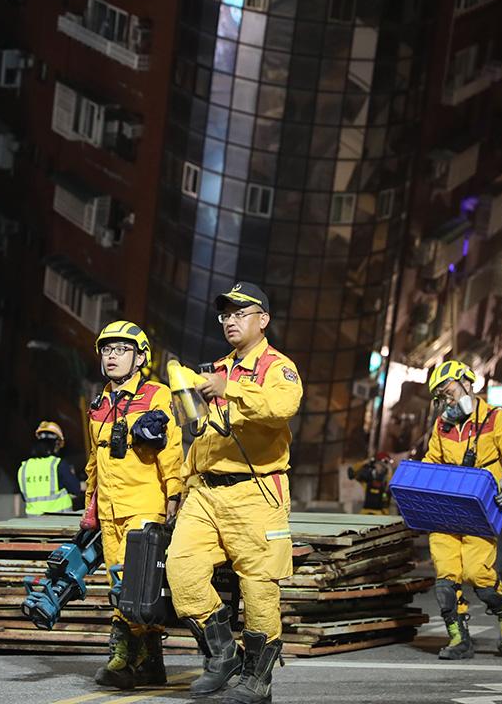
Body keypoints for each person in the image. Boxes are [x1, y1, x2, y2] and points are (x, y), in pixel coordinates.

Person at [165, 282, 302, 704]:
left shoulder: (277, 367)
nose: (230, 320)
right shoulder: (217, 369)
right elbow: (203, 436)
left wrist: (231, 390)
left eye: (240, 313)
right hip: (206, 493)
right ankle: (224, 654)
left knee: (260, 589)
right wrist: (184, 484)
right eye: (225, 314)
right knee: (182, 572)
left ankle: (258, 680)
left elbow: (284, 408)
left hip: (256, 493)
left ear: (263, 320)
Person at [86, 320, 183, 689]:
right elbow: (94, 460)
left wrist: (174, 493)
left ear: (141, 356)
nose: (112, 356)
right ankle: (145, 662)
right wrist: (90, 504)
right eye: (107, 350)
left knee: (140, 585)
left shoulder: (155, 395)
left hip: (143, 505)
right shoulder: (98, 403)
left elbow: (170, 446)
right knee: (119, 584)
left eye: (121, 350)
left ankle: (128, 658)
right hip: (110, 509)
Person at [422, 359, 502, 660]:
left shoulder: (495, 418)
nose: (447, 399)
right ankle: (459, 639)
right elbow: (432, 460)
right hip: (447, 508)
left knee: (478, 574)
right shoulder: (442, 426)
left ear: (467, 383)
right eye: (441, 396)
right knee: (446, 577)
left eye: (448, 390)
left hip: (482, 507)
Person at [18, 421, 82, 516]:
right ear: (56, 444)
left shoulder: (24, 468)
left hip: (34, 524)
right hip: (60, 522)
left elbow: (24, 497)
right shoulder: (57, 464)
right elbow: (76, 489)